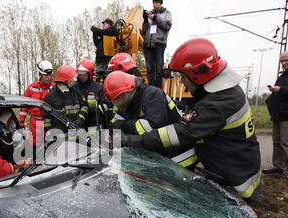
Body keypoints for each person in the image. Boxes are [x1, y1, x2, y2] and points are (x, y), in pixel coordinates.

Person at [117, 38, 261, 204]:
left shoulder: (220, 102)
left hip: (237, 184)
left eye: (182, 77)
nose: (183, 84)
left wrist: (130, 140)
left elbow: (180, 132)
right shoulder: (224, 93)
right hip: (234, 169)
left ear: (198, 73)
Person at [104, 70, 197, 169]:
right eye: (114, 101)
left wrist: (123, 127)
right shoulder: (127, 102)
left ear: (129, 91)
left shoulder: (152, 94)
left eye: (118, 100)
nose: (117, 104)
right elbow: (115, 123)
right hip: (159, 155)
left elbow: (150, 127)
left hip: (179, 157)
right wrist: (110, 135)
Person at [264, 50, 288, 179]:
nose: (284, 63)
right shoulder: (283, 76)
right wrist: (270, 99)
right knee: (276, 142)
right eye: (282, 61)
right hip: (278, 114)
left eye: (286, 60)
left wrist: (280, 89)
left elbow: (287, 91)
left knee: (286, 142)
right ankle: (278, 167)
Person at [44, 65, 88, 136]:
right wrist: (49, 131)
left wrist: (81, 119)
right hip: (60, 138)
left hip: (77, 135)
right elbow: (47, 118)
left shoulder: (76, 92)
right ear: (65, 81)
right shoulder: (50, 97)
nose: (74, 80)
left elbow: (85, 106)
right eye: (72, 78)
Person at [19, 60, 55, 148]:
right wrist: (21, 122)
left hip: (50, 122)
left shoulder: (54, 88)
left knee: (51, 146)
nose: (48, 77)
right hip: (35, 122)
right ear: (40, 75)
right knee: (36, 147)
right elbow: (24, 107)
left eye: (50, 75)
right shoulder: (31, 87)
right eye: (46, 75)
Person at [73, 58, 110, 133]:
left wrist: (96, 108)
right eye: (79, 73)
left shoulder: (97, 87)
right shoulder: (74, 87)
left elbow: (105, 105)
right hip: (78, 123)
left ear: (90, 73)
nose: (81, 76)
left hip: (94, 123)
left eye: (84, 74)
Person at [142, 0, 172, 89]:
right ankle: (151, 91)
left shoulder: (167, 13)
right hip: (148, 45)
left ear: (161, 3)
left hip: (159, 44)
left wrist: (155, 18)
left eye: (157, 2)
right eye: (154, 2)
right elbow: (144, 31)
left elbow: (167, 26)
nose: (155, 4)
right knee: (149, 71)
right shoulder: (149, 14)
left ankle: (158, 92)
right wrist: (145, 20)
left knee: (159, 71)